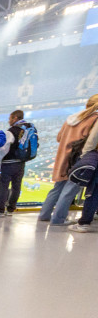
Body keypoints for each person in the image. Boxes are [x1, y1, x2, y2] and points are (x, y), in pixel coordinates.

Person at [39, 94, 98, 225]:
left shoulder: (72, 118)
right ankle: (58, 219)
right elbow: (92, 142)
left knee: (57, 188)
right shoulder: (94, 120)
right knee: (70, 190)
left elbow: (59, 138)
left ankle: (44, 215)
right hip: (79, 158)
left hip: (63, 158)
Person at [0, 110, 32, 217]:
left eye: (10, 118)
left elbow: (4, 149)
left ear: (15, 118)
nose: (9, 121)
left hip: (9, 163)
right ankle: (11, 209)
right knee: (16, 186)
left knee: (3, 186)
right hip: (21, 162)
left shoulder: (12, 131)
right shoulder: (29, 128)